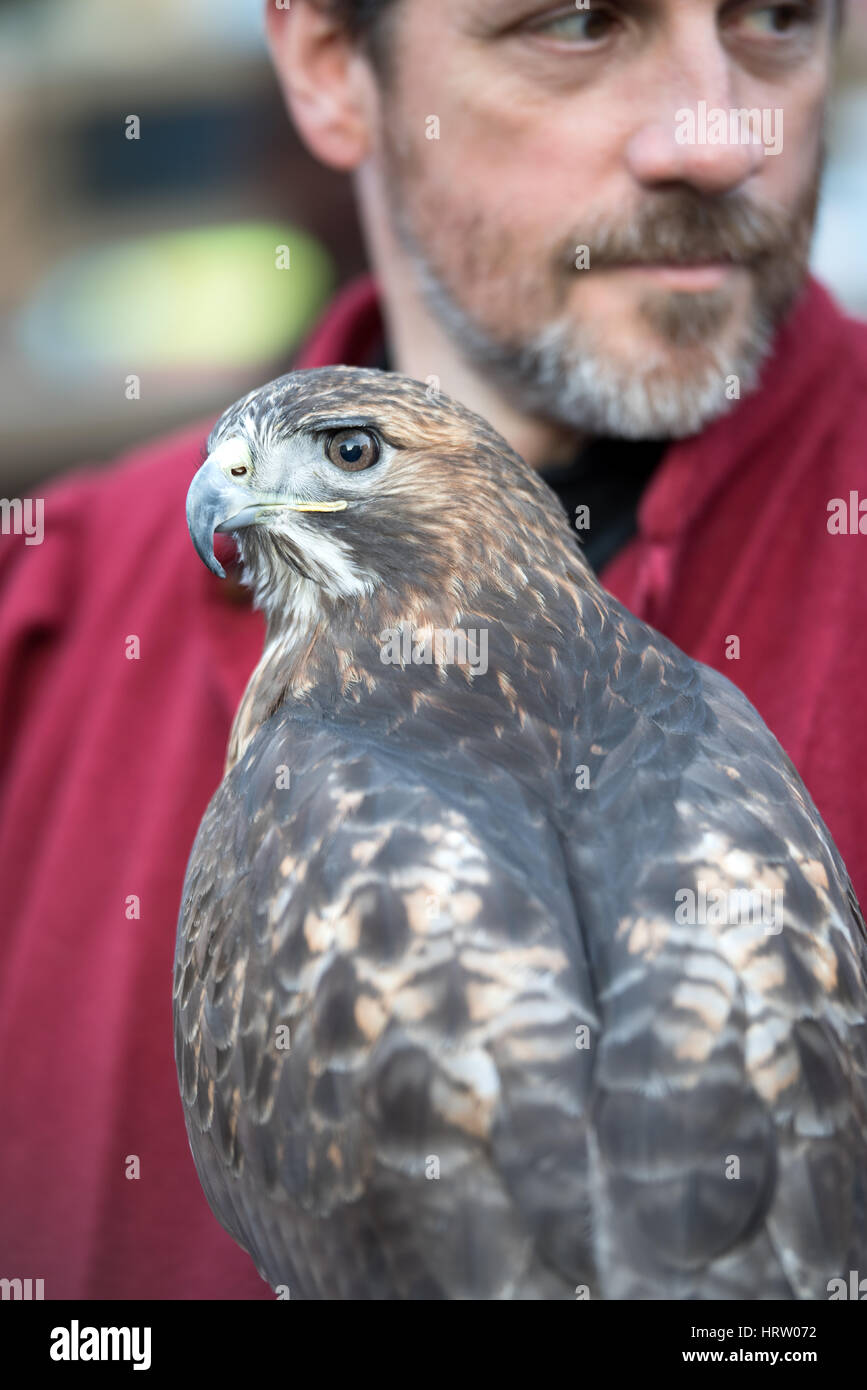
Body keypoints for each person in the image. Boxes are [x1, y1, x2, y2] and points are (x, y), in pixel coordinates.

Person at [1, 0, 864, 1300]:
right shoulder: (36, 624)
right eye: (578, 22)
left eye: (778, 18)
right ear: (332, 66)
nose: (714, 135)